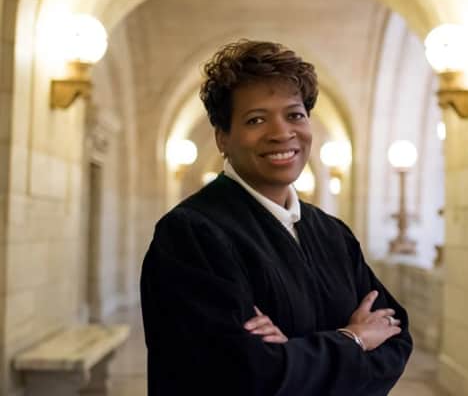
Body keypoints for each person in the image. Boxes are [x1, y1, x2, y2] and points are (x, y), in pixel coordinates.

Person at [140, 39, 412, 396]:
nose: (282, 133)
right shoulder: (191, 234)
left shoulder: (333, 234)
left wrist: (291, 356)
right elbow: (243, 375)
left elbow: (396, 337)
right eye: (256, 119)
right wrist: (354, 339)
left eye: (295, 115)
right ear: (223, 138)